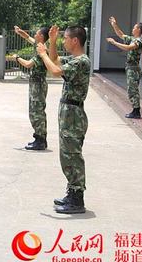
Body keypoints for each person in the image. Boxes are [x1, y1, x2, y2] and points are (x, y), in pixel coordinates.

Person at [37, 25, 90, 214]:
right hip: (69, 112)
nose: (64, 41)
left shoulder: (81, 61)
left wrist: (42, 53)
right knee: (66, 155)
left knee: (73, 155)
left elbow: (55, 71)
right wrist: (51, 42)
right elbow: (56, 61)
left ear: (75, 40)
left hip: (74, 114)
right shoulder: (75, 60)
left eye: (65, 38)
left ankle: (77, 199)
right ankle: (72, 192)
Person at [10, 26, 50, 150]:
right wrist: (20, 31)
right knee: (34, 111)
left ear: (42, 37)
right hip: (35, 84)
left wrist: (16, 58)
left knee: (37, 112)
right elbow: (28, 38)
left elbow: (28, 64)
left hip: (38, 84)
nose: (35, 35)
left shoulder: (42, 51)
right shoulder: (39, 45)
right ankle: (39, 138)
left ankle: (40, 140)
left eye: (37, 33)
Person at [106, 17, 142, 119]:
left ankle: (136, 111)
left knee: (133, 90)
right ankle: (135, 110)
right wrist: (114, 24)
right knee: (131, 90)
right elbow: (121, 34)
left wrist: (114, 43)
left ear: (138, 30)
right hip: (130, 68)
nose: (132, 29)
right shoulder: (132, 39)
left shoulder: (138, 41)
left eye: (134, 28)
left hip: (134, 69)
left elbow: (128, 48)